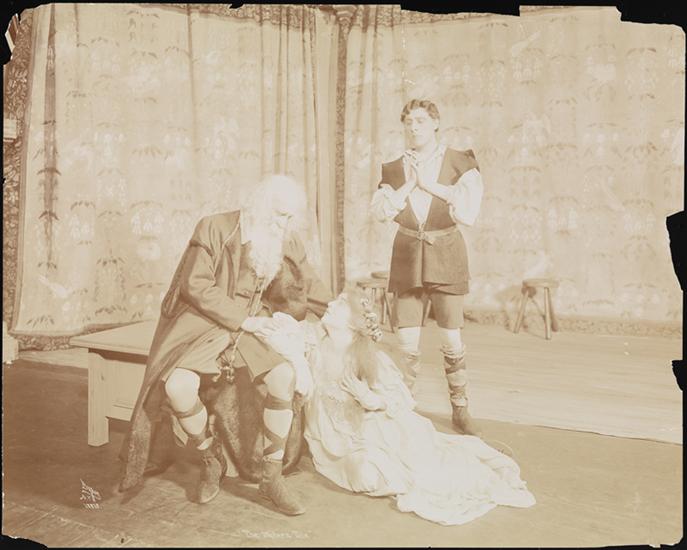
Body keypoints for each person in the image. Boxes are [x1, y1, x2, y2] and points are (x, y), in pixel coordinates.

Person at [118, 174, 331, 516]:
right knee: (177, 388)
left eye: (290, 217)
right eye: (280, 215)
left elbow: (311, 286)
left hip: (253, 325)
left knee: (284, 377)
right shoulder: (214, 227)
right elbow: (195, 285)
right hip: (205, 323)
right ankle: (210, 456)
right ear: (261, 207)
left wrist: (343, 312)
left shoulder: (285, 238)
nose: (284, 224)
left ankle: (272, 478)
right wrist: (244, 320)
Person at [265, 287, 535, 526]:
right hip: (333, 437)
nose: (331, 305)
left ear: (352, 323)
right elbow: (277, 329)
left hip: (376, 429)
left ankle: (455, 461)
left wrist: (370, 399)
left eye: (340, 304)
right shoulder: (313, 339)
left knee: (383, 474)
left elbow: (399, 400)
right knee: (363, 477)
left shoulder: (365, 356)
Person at [370, 98, 484, 435]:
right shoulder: (394, 168)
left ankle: (460, 408)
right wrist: (410, 183)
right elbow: (380, 212)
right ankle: (405, 409)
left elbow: (468, 212)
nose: (413, 127)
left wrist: (429, 185)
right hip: (406, 255)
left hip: (446, 253)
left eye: (420, 120)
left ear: (435, 123)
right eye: (408, 122)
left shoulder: (460, 162)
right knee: (407, 342)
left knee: (451, 337)